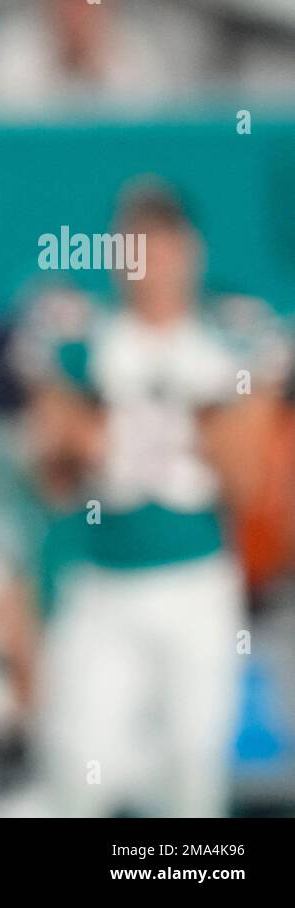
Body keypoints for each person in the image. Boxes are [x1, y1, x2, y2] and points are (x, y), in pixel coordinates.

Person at [26, 182, 289, 817]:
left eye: (164, 241)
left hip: (197, 584)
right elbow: (51, 471)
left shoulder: (231, 340)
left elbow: (250, 479)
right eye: (135, 242)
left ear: (191, 250)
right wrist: (88, 433)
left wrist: (197, 413)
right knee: (80, 774)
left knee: (193, 779)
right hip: (101, 585)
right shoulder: (83, 339)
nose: (151, 260)